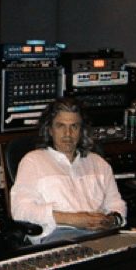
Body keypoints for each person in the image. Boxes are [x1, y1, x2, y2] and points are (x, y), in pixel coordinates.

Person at [10, 97, 127, 244]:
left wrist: (111, 220)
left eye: (74, 126)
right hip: (58, 233)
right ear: (50, 129)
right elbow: (20, 210)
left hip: (101, 233)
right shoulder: (33, 161)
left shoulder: (99, 163)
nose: (68, 133)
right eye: (61, 126)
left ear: (81, 130)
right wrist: (72, 219)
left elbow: (116, 203)